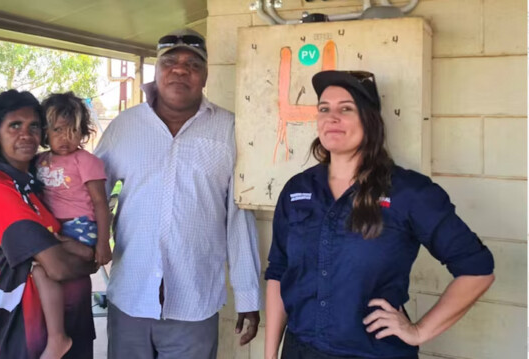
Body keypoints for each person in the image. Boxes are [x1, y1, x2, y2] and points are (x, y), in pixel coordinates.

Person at [264, 70, 495, 359]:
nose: (331, 118)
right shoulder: (297, 190)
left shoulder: (409, 193)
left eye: (345, 109)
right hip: (300, 351)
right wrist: (270, 354)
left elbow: (477, 270)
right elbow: (279, 272)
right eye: (324, 109)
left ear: (369, 120)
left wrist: (419, 331)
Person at [94, 28, 263, 359]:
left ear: (205, 76)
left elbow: (238, 220)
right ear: (156, 71)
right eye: (170, 62)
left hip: (194, 300)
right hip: (131, 295)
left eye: (193, 64)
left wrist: (248, 297)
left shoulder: (228, 129)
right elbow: (90, 194)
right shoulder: (124, 127)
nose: (181, 70)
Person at [0, 89, 96, 359]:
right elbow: (58, 267)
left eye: (34, 126)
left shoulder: (35, 183)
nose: (26, 134)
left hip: (74, 322)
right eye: (14, 125)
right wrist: (91, 261)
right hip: (29, 332)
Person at [30, 92, 112, 358]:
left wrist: (102, 243)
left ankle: (82, 251)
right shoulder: (39, 161)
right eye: (58, 130)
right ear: (45, 132)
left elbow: (101, 202)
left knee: (47, 266)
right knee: (44, 265)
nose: (65, 138)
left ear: (83, 133)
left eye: (73, 131)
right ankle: (75, 250)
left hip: (80, 225)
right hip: (55, 227)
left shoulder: (86, 161)